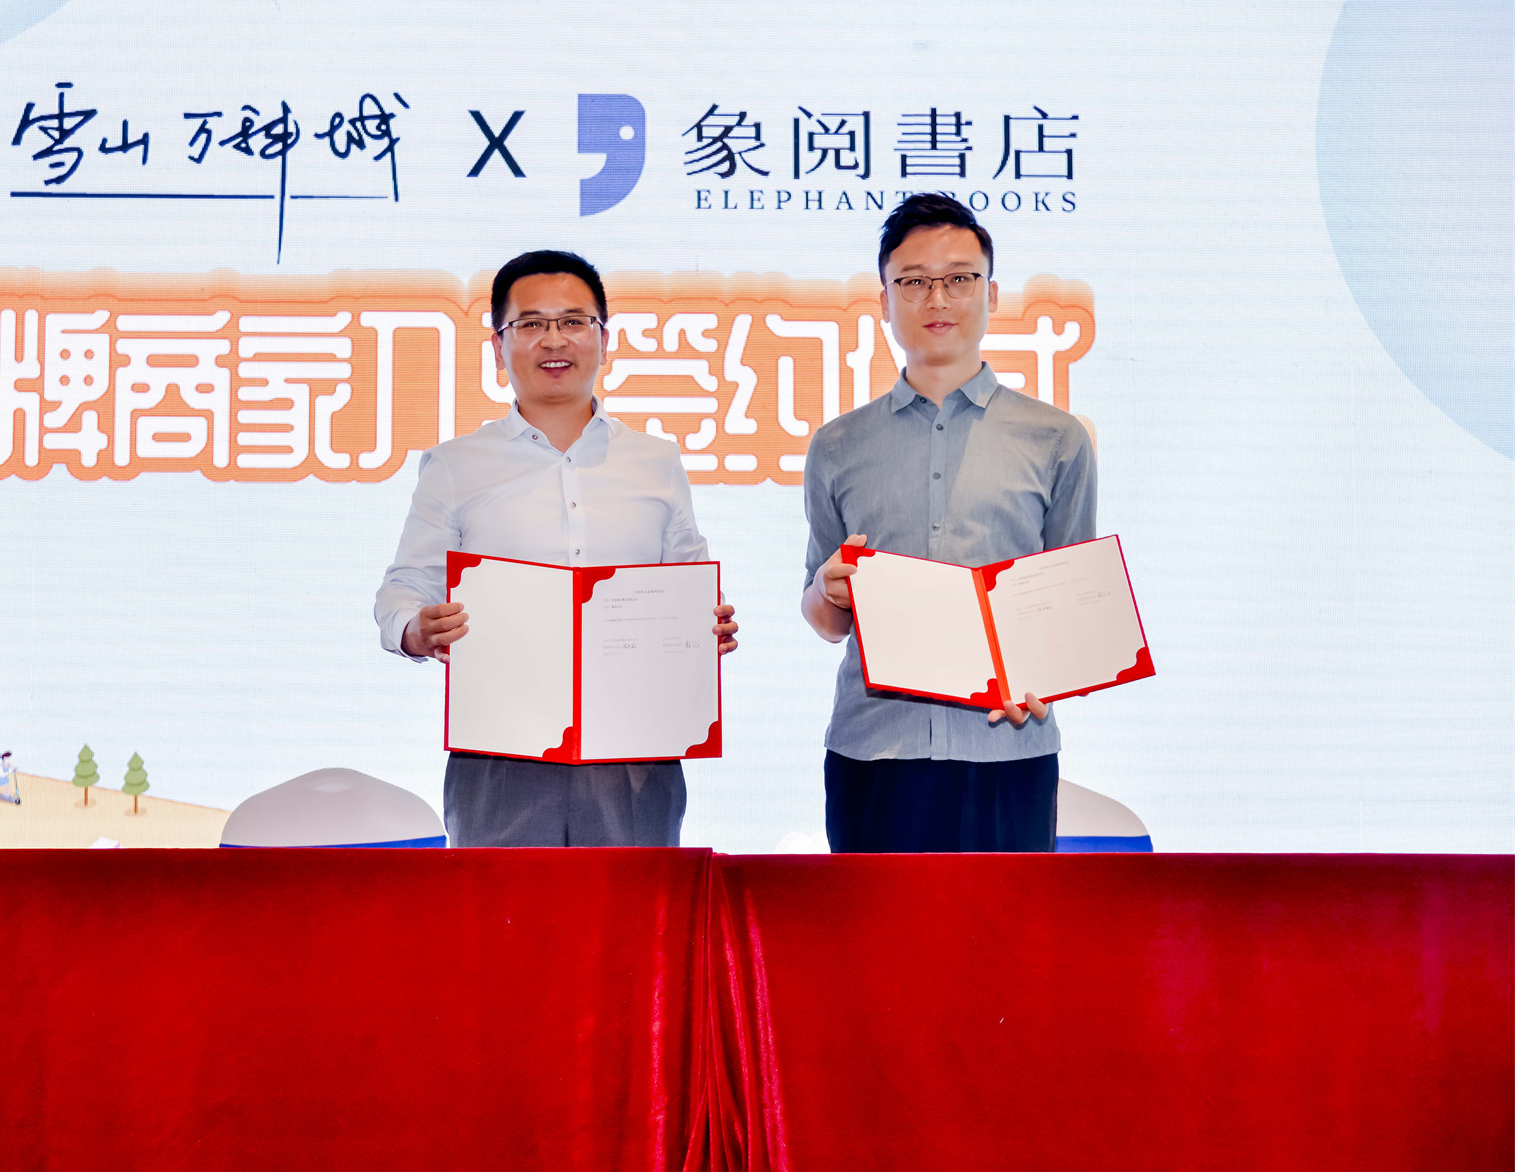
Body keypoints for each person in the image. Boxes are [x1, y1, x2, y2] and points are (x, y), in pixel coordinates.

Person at [375, 249, 739, 847]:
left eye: (574, 321)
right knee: (503, 907)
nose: (554, 340)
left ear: (604, 339)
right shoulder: (456, 465)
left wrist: (705, 625)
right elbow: (404, 588)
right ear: (498, 346)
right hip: (499, 750)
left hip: (636, 752)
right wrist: (416, 628)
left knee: (635, 905)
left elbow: (688, 577)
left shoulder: (655, 461)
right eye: (531, 323)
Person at [800, 194, 1097, 853]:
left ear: (991, 293)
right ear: (884, 301)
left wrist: (1045, 671)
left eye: (959, 278)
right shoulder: (838, 445)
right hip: (874, 750)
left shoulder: (1056, 438)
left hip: (1007, 749)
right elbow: (825, 620)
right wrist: (826, 589)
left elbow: (1073, 609)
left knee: (1007, 925)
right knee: (871, 927)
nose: (937, 299)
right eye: (913, 282)